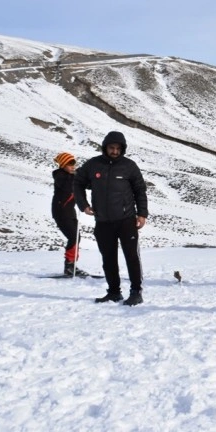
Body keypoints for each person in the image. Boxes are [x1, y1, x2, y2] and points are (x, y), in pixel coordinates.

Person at [74, 131, 148, 306]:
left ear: (122, 149)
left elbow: (140, 190)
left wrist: (142, 214)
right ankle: (114, 292)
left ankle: (136, 292)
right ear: (105, 147)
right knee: (108, 258)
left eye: (117, 148)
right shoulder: (93, 165)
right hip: (103, 221)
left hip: (126, 220)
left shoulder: (129, 166)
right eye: (111, 148)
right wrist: (83, 204)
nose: (114, 151)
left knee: (132, 257)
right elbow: (77, 182)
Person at [52, 152, 88, 277]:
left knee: (76, 237)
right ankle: (69, 266)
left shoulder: (70, 175)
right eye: (70, 164)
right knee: (73, 237)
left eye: (74, 163)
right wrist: (76, 176)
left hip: (70, 212)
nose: (73, 166)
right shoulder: (59, 175)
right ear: (63, 165)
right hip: (60, 211)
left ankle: (71, 265)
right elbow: (67, 186)